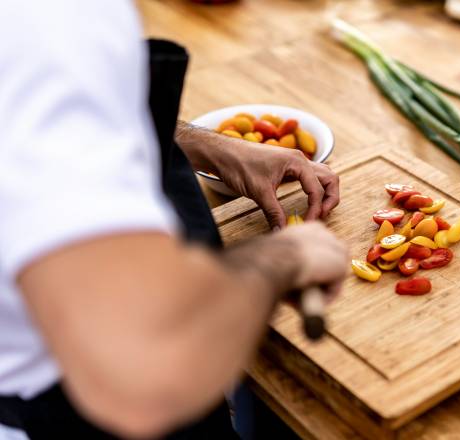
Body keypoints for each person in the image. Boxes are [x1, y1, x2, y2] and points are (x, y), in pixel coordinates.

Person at [0, 1, 348, 438]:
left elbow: (51, 109)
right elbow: (143, 367)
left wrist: (209, 144)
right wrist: (284, 259)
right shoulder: (53, 21)